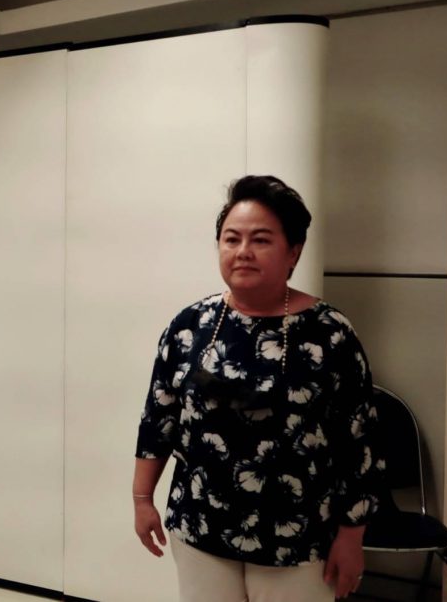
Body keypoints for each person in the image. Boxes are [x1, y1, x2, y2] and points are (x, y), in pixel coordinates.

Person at [133, 175, 383, 602]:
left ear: (294, 252)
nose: (243, 251)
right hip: (200, 527)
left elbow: (358, 442)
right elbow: (159, 418)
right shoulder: (190, 326)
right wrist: (142, 498)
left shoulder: (330, 333)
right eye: (231, 239)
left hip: (298, 538)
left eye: (261, 240)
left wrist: (351, 535)